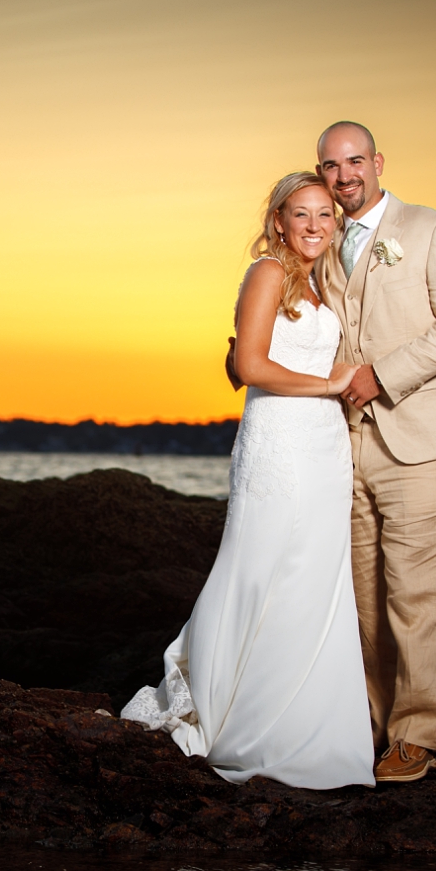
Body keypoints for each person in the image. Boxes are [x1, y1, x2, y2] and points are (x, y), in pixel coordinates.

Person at [121, 172, 375, 790]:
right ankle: (232, 710)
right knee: (259, 568)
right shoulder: (266, 273)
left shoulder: (323, 282)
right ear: (279, 220)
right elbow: (250, 364)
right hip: (279, 442)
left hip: (323, 447)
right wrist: (330, 384)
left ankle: (309, 725)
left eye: (324, 214)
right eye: (301, 213)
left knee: (315, 578)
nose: (314, 225)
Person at [311, 121, 436, 783]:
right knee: (361, 597)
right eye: (330, 164)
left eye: (355, 161)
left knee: (416, 596)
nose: (344, 174)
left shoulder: (431, 229)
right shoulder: (323, 239)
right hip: (345, 445)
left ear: (377, 162)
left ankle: (417, 733)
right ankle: (371, 726)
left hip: (422, 440)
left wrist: (382, 374)